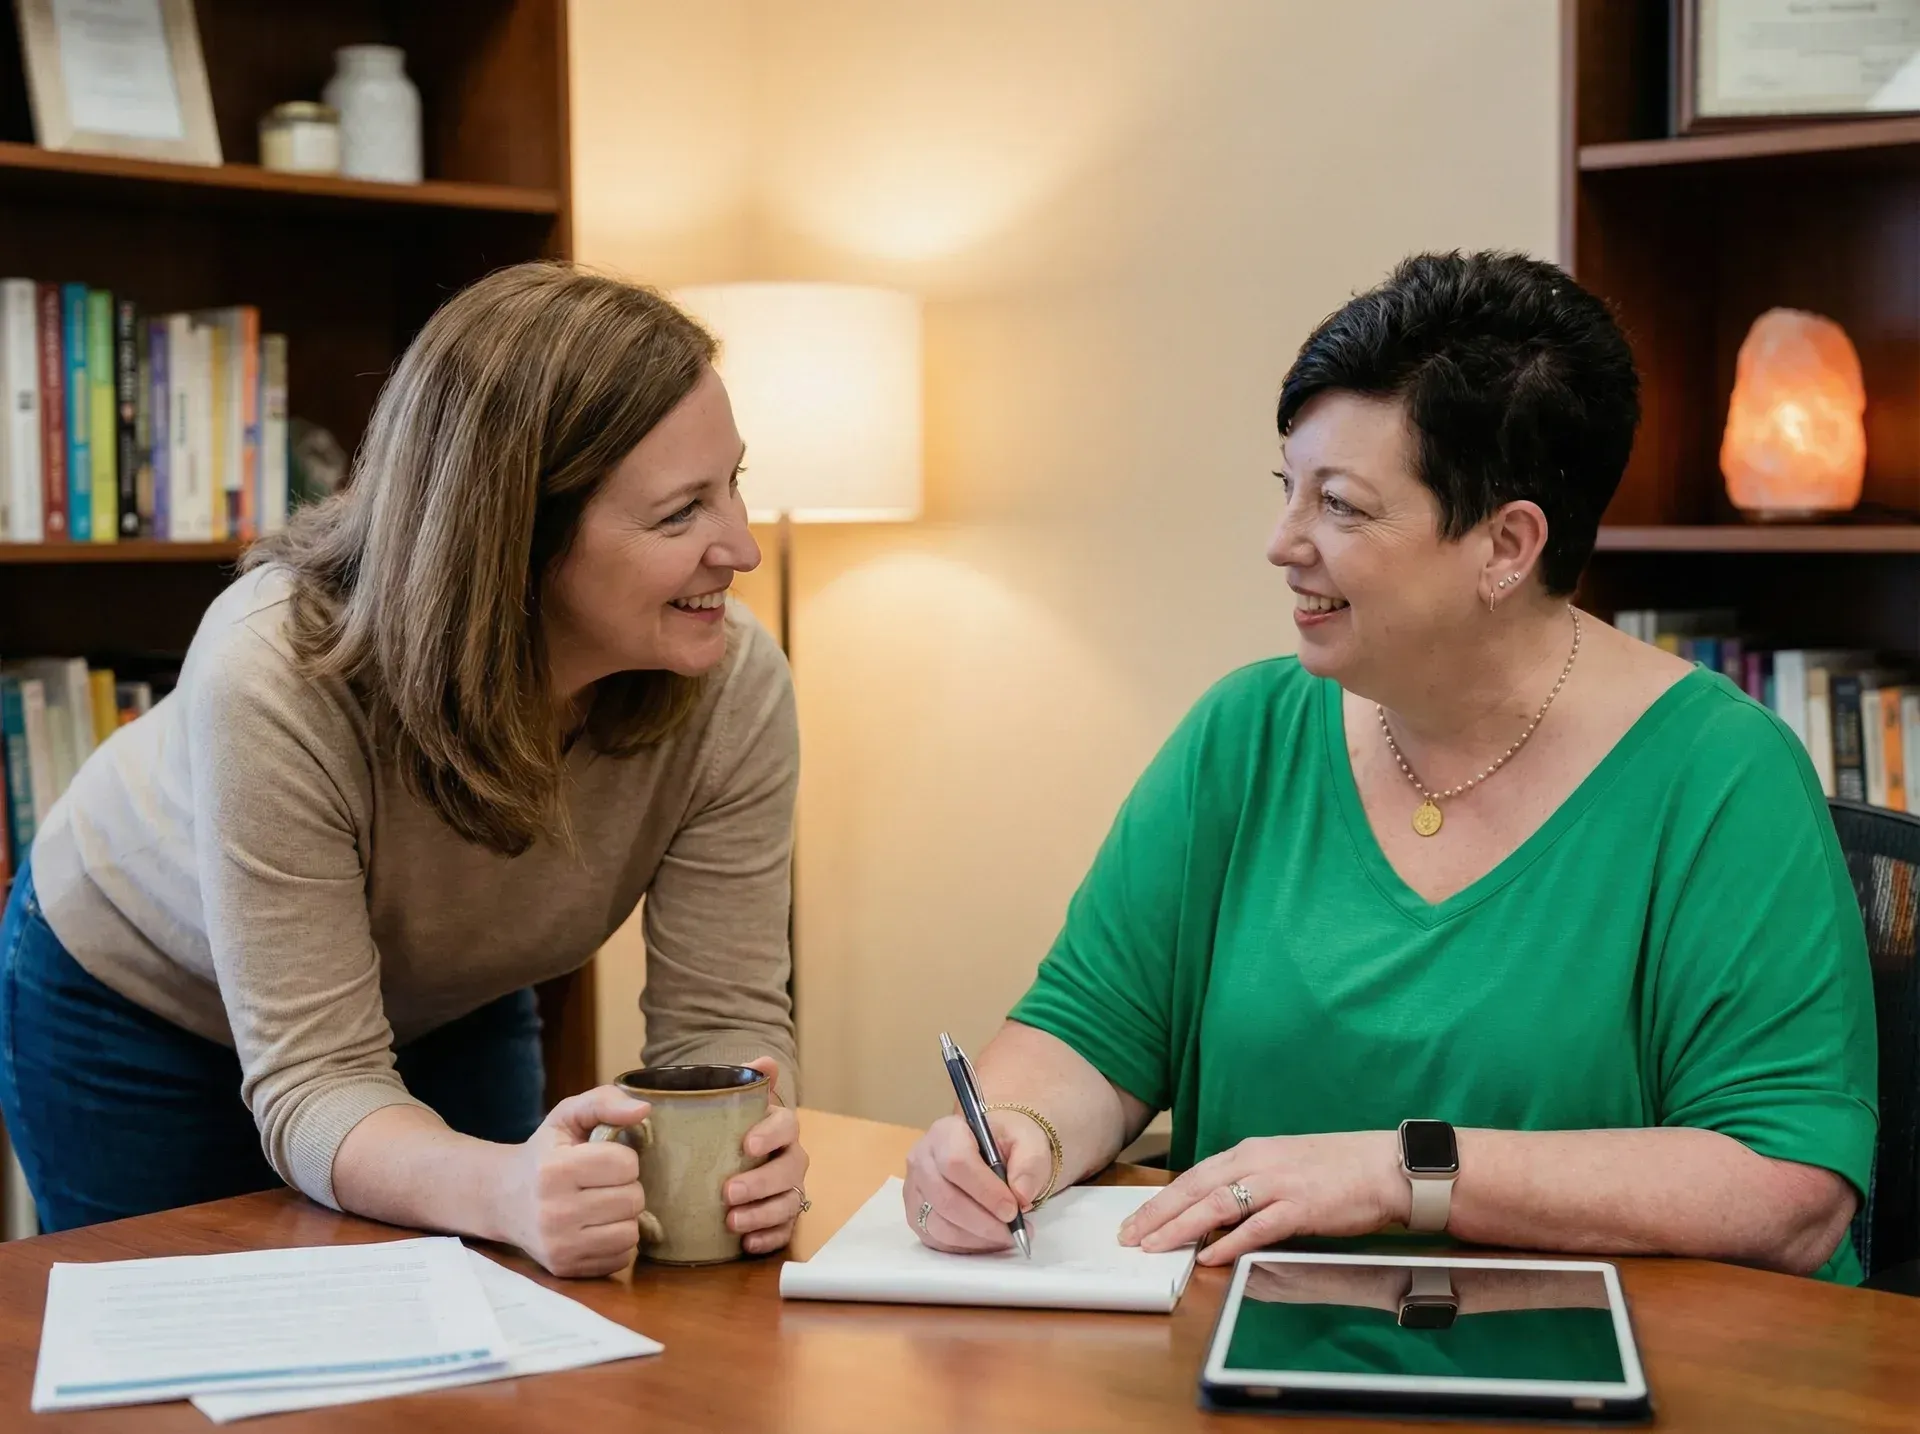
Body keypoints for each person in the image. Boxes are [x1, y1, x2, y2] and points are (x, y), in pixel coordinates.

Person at [904, 251, 1877, 1283]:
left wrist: (1403, 1172)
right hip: (1244, 1353)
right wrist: (1014, 1139)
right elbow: (1088, 1037)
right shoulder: (1246, 733)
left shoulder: (1722, 777)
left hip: (1601, 1375)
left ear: (1507, 545)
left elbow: (1788, 1190)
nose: (1284, 543)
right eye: (1288, 491)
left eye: (1342, 506)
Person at [0, 263, 809, 1277]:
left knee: (483, 1339)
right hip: (141, 999)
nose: (740, 548)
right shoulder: (274, 672)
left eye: (731, 483)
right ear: (516, 536)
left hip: (444, 995)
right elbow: (319, 1079)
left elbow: (721, 1031)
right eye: (679, 513)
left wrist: (754, 1149)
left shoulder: (734, 685)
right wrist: (504, 1186)